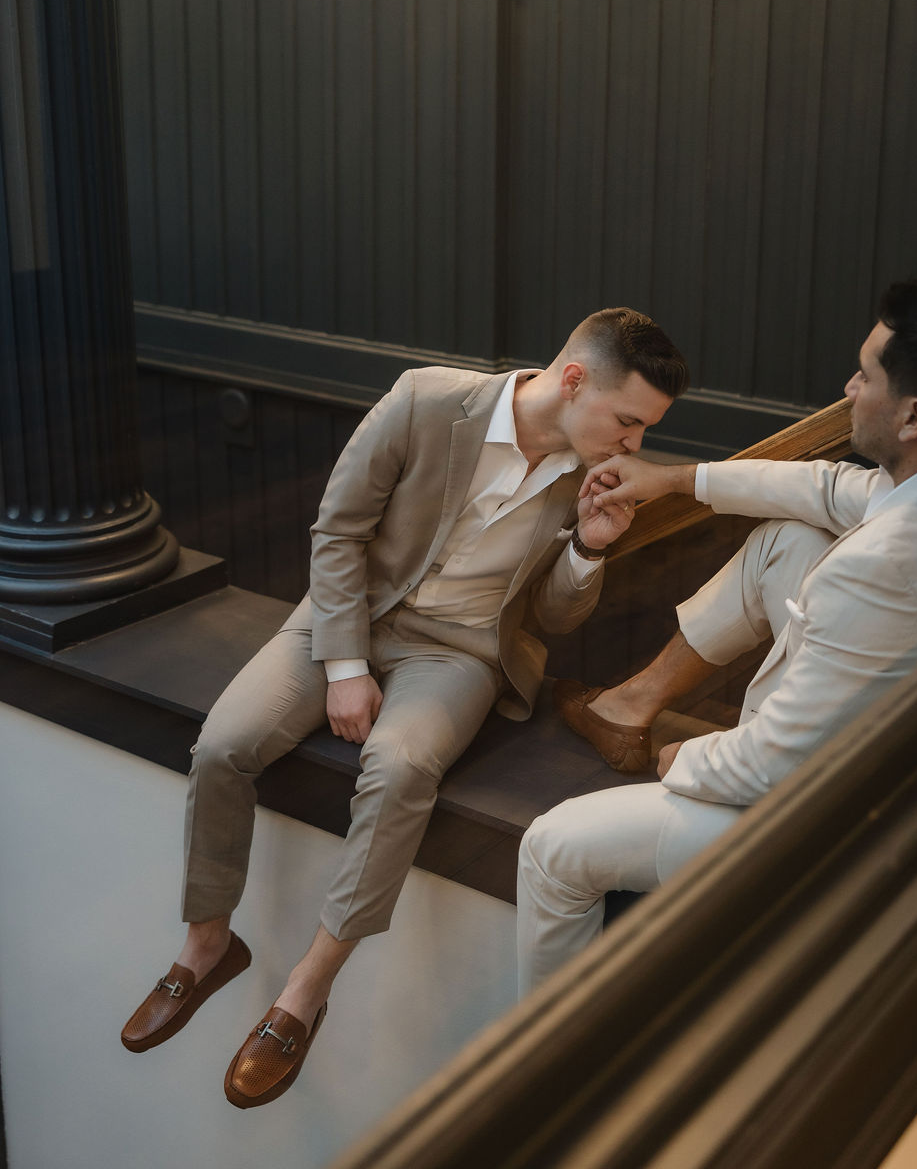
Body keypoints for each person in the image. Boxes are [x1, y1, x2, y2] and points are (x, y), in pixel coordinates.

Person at [121, 307, 688, 1107]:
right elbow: (337, 531)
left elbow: (556, 619)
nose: (634, 444)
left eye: (645, 429)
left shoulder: (590, 475)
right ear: (572, 381)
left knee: (399, 765)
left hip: (457, 653)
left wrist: (591, 545)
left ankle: (307, 990)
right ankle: (208, 944)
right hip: (345, 615)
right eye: (628, 420)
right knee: (222, 745)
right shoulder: (424, 400)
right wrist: (345, 664)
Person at [517, 280, 917, 994]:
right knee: (790, 536)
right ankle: (627, 704)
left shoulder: (888, 565)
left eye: (866, 375)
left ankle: (548, 1064)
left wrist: (684, 757)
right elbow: (822, 491)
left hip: (835, 831)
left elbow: (769, 769)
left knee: (551, 847)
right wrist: (672, 480)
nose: (847, 389)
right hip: (913, 745)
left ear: (912, 416)